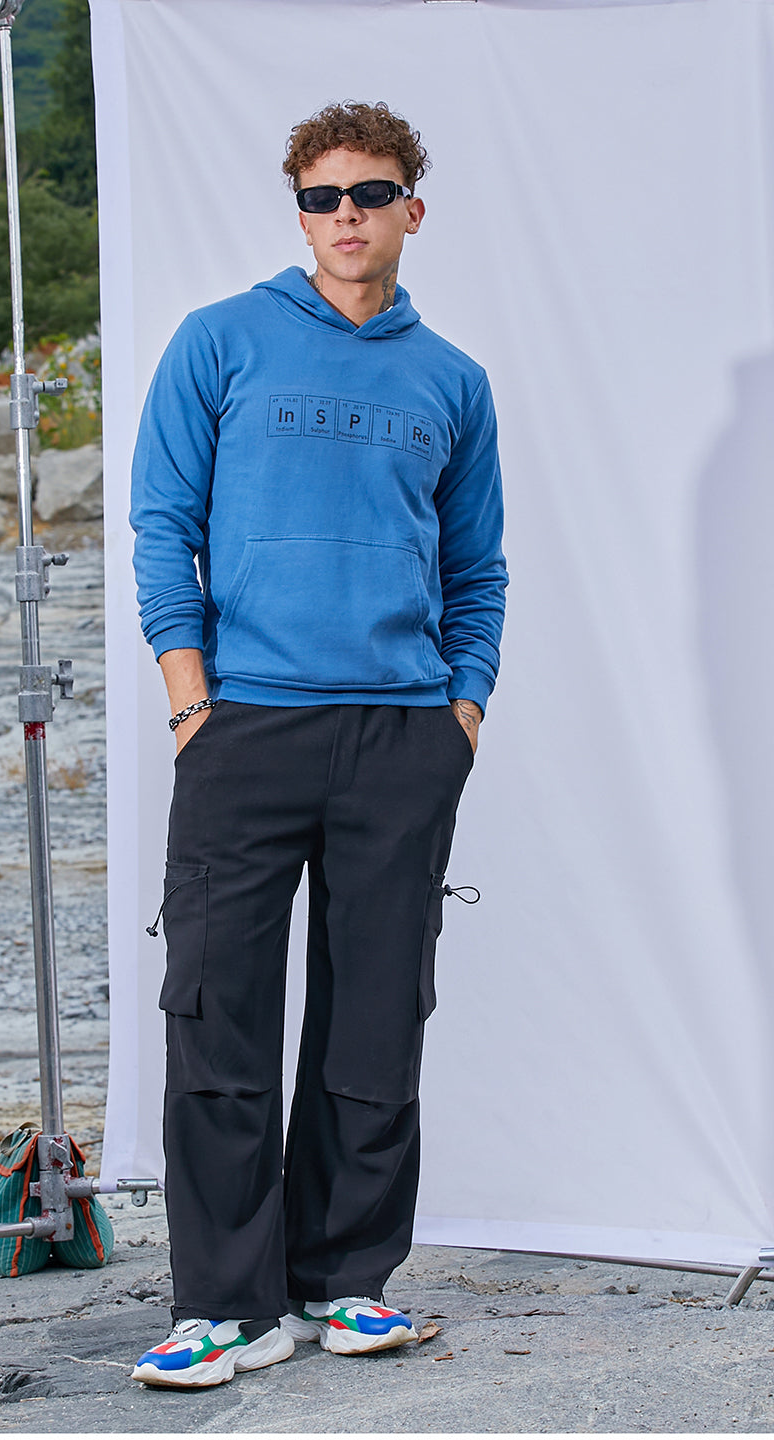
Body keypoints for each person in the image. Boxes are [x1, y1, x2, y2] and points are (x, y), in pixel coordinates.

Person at [128, 100, 507, 1389]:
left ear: (413, 208)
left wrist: (462, 709)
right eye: (321, 196)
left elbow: (478, 567)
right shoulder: (219, 341)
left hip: (401, 736)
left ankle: (347, 1282)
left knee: (377, 1016)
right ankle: (226, 1306)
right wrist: (191, 700)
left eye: (370, 192)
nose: (346, 215)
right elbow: (163, 524)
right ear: (298, 213)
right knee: (216, 1010)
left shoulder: (452, 379)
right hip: (245, 727)